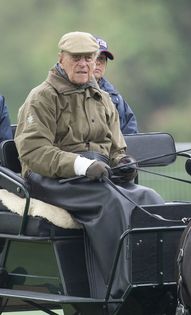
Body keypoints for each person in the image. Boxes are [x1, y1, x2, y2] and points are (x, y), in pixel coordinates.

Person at [14, 31, 164, 300]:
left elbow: (117, 147)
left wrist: (123, 163)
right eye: (77, 58)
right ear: (61, 58)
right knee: (111, 202)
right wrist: (80, 166)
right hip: (50, 179)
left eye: (89, 58)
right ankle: (119, 288)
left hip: (96, 176)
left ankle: (157, 278)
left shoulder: (102, 98)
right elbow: (34, 151)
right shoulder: (42, 97)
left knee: (149, 198)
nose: (84, 64)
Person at [94, 36, 138, 134]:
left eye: (101, 59)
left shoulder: (115, 98)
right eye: (94, 57)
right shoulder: (70, 94)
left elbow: (131, 134)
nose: (98, 63)